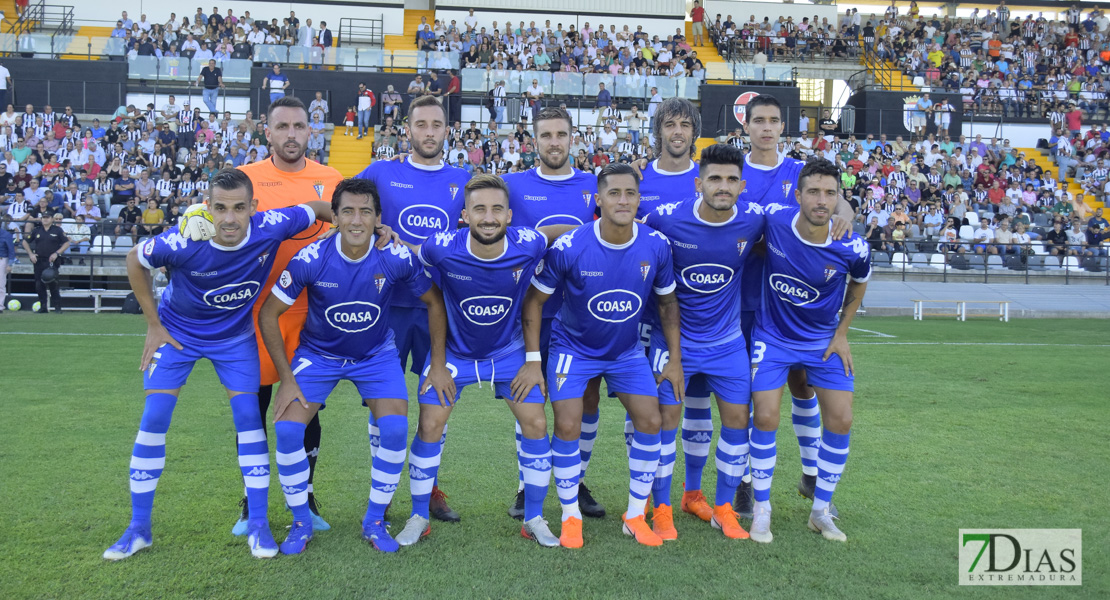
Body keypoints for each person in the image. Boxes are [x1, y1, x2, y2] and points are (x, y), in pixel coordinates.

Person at [101, 169, 334, 560]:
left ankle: (258, 524)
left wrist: (362, 223)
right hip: (178, 336)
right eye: (221, 208)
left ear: (254, 208)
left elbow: (316, 207)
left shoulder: (271, 225)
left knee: (248, 417)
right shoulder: (184, 239)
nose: (230, 218)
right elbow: (133, 258)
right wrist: (153, 324)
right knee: (154, 417)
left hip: (234, 339)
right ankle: (139, 528)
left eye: (239, 208)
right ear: (207, 208)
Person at [260, 178, 448, 555]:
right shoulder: (312, 258)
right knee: (286, 431)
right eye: (347, 211)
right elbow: (269, 314)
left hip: (375, 355)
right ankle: (300, 522)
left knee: (394, 429)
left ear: (378, 217)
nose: (357, 220)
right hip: (319, 355)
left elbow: (435, 302)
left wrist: (439, 364)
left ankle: (375, 520)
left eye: (365, 211)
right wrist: (286, 380)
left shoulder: (394, 256)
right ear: (335, 217)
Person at [396, 175, 571, 548]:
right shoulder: (442, 248)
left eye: (496, 210)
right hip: (454, 356)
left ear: (509, 215)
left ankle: (534, 517)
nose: (488, 217)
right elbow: (412, 251)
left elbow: (554, 232)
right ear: (464, 215)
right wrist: (438, 363)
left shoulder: (528, 243)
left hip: (508, 355)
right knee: (429, 424)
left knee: (537, 423)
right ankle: (418, 516)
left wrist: (596, 229)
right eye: (479, 209)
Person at [516, 162, 684, 548]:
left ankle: (634, 515)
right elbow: (534, 302)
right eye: (614, 193)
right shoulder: (571, 246)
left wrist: (674, 359)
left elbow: (667, 304)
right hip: (573, 350)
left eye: (630, 193)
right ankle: (571, 515)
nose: (623, 200)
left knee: (650, 421)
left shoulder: (656, 245)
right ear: (598, 199)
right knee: (569, 426)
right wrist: (533, 360)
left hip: (625, 353)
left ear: (639, 199)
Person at [227, 96, 344, 536]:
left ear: (310, 131)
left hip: (313, 313)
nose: (292, 134)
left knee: (306, 410)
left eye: (299, 126)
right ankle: (249, 500)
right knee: (251, 412)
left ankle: (305, 495)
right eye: (283, 127)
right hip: (256, 312)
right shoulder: (247, 179)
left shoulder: (330, 178)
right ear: (267, 131)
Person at [732, 95, 853, 519]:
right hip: (739, 297)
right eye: (759, 121)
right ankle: (748, 481)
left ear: (783, 127)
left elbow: (834, 200)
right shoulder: (734, 171)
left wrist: (848, 211)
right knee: (753, 397)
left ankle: (811, 476)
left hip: (790, 301)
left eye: (774, 121)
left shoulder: (797, 171)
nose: (766, 128)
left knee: (804, 386)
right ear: (745, 126)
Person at [641, 143, 766, 540]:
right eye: (715, 178)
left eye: (731, 180)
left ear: (743, 185)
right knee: (665, 423)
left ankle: (722, 506)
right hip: (672, 342)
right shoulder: (664, 220)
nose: (723, 186)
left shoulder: (755, 219)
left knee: (737, 421)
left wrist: (845, 213)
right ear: (699, 183)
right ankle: (660, 507)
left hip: (727, 343)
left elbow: (805, 221)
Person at [355, 94, 470, 522]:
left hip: (437, 307)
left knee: (436, 402)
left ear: (446, 130)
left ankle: (431, 487)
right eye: (420, 124)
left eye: (436, 125)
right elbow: (348, 206)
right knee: (382, 403)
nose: (428, 132)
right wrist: (374, 225)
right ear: (407, 130)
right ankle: (380, 495)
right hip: (386, 305)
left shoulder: (463, 178)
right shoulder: (382, 172)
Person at [748, 158, 870, 544]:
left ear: (838, 199)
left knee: (842, 419)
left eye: (830, 193)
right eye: (814, 192)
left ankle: (820, 510)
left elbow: (860, 282)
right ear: (797, 195)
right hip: (772, 338)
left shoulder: (852, 245)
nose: (822, 200)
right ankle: (761, 508)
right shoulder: (775, 221)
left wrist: (842, 333)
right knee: (765, 417)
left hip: (821, 341)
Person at [501, 107, 603, 521]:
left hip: (582, 314)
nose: (555, 142)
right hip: (530, 310)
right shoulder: (511, 186)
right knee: (531, 398)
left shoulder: (595, 184)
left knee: (587, 399)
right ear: (534, 141)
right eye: (546, 135)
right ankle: (528, 485)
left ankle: (574, 479)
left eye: (562, 134)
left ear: (573, 138)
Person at [22, 211, 67, 313]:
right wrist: (30, 254)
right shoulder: (36, 230)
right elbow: (25, 241)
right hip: (39, 260)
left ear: (52, 219)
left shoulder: (58, 230)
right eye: (43, 217)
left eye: (47, 217)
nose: (45, 219)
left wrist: (57, 253)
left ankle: (57, 307)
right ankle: (43, 307)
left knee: (53, 284)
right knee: (39, 285)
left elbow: (66, 243)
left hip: (51, 261)